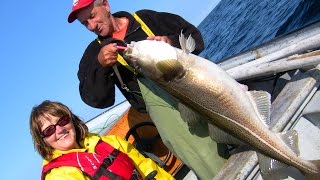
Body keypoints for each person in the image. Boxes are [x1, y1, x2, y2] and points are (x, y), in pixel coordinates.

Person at [67, 1, 227, 179]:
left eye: (92, 16)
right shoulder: (93, 54)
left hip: (197, 92)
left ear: (105, 5)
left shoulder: (145, 19)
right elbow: (96, 99)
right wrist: (100, 66)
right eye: (85, 24)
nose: (91, 26)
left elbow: (194, 37)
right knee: (206, 160)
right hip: (170, 119)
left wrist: (170, 44)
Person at [29, 100, 174, 180]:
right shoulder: (59, 176)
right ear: (43, 141)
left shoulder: (111, 142)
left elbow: (146, 166)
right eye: (49, 130)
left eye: (62, 121)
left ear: (71, 120)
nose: (59, 130)